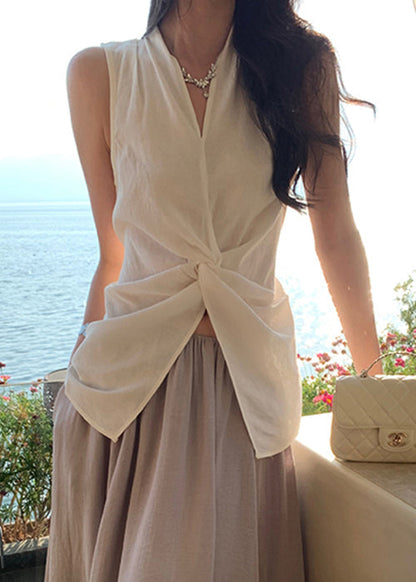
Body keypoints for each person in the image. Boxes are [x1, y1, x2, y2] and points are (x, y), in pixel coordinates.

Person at [45, 0, 383, 580]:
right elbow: (113, 254)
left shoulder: (300, 66)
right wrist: (78, 374)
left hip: (240, 394)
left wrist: (374, 386)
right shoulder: (97, 74)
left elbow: (336, 235)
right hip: (119, 403)